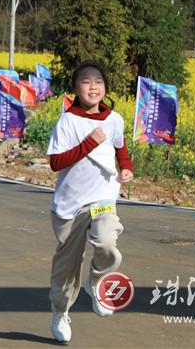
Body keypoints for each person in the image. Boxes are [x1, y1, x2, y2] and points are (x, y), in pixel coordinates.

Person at [45, 61, 134, 343]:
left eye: (98, 81)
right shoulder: (68, 121)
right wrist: (90, 143)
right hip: (70, 205)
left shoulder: (115, 119)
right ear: (75, 89)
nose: (93, 86)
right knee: (67, 266)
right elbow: (56, 162)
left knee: (107, 239)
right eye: (86, 81)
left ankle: (97, 281)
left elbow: (120, 148)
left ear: (105, 87)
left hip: (102, 198)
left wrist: (127, 168)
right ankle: (60, 312)